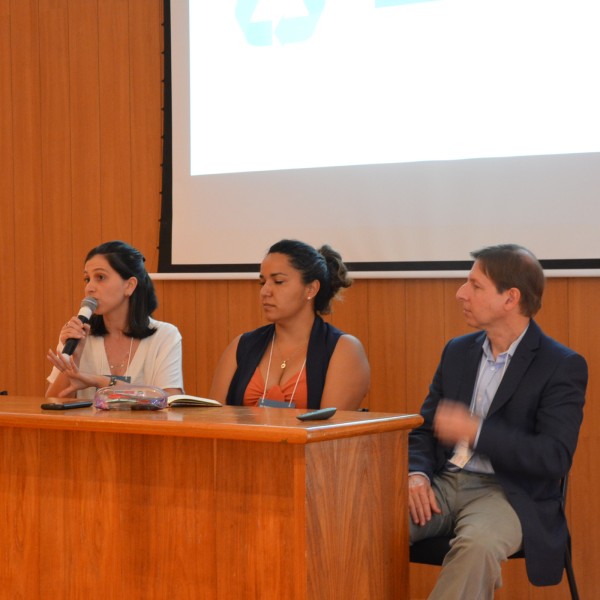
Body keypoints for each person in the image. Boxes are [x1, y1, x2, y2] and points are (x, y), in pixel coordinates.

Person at [408, 244, 587, 599]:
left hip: (509, 492)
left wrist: (477, 433)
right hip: (443, 482)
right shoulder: (457, 351)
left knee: (478, 546)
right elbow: (424, 429)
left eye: (475, 286)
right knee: (362, 524)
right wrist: (416, 474)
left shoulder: (560, 365)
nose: (461, 293)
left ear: (511, 298)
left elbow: (553, 456)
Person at [209, 239, 370, 410]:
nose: (265, 292)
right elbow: (214, 421)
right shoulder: (241, 345)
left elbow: (329, 431)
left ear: (311, 289)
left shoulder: (343, 349)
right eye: (262, 282)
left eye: (278, 282)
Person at [46, 240, 184, 399]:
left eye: (100, 277)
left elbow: (171, 401)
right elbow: (54, 405)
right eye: (87, 279)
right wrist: (73, 358)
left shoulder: (165, 336)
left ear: (129, 286)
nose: (89, 288)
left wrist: (99, 381)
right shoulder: (77, 334)